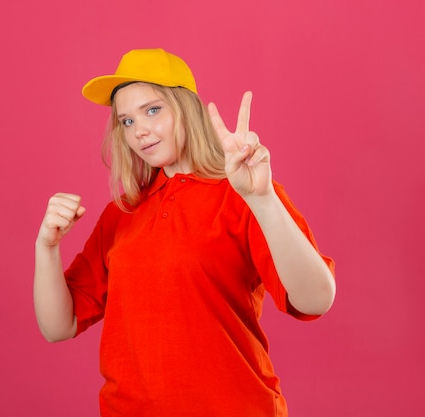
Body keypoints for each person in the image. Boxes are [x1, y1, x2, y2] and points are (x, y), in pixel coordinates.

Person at [34, 48, 336, 417]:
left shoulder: (242, 193)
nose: (139, 129)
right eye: (126, 121)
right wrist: (47, 248)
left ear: (187, 108)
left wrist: (264, 199)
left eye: (153, 110)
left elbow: (316, 299)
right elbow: (58, 325)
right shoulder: (121, 214)